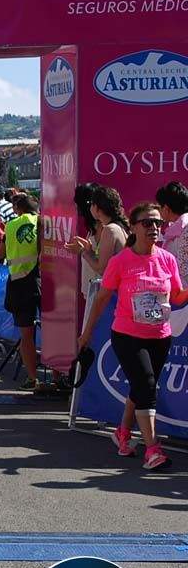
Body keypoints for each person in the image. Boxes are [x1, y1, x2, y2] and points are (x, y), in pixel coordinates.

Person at [79, 203, 188, 469]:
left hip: (160, 335)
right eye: (148, 223)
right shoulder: (121, 261)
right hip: (127, 335)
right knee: (147, 385)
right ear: (135, 227)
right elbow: (102, 299)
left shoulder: (167, 259)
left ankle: (122, 433)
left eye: (157, 223)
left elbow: (176, 296)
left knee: (141, 386)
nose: (154, 228)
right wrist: (86, 334)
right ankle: (152, 449)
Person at [4, 194, 41, 389]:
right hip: (41, 279)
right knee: (52, 328)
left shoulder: (10, 225)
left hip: (18, 282)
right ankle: (59, 375)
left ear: (18, 209)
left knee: (26, 335)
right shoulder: (42, 222)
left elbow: (2, 252)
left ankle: (33, 378)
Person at [66, 186, 128, 283]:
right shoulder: (117, 227)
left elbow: (102, 269)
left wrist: (83, 252)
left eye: (92, 204)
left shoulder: (110, 229)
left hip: (112, 294)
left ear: (97, 208)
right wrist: (89, 250)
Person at [156, 181, 188, 283]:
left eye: (159, 207)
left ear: (166, 208)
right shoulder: (175, 228)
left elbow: (183, 270)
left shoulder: (185, 229)